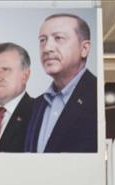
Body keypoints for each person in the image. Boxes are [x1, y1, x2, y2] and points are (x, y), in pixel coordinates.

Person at [24, 14, 98, 154]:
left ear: (84, 49)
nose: (47, 48)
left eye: (58, 38)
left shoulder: (98, 96)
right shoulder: (37, 105)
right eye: (42, 40)